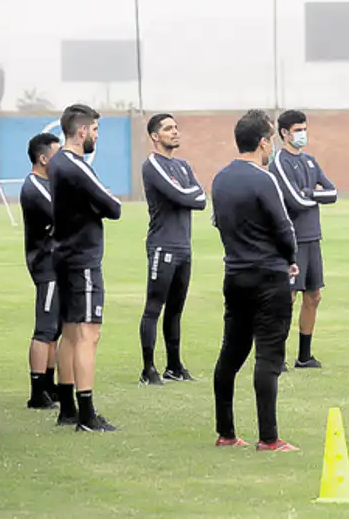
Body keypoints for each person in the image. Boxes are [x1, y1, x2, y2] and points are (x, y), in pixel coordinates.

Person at [211, 109, 300, 451]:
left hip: (235, 274)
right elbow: (283, 228)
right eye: (272, 141)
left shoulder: (220, 178)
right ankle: (269, 437)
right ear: (263, 142)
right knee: (268, 356)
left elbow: (219, 222)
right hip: (268, 277)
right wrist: (290, 260)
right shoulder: (265, 179)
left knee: (231, 353)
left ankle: (226, 432)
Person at [48, 103, 122, 431]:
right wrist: (103, 200)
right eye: (94, 130)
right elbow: (113, 206)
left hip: (63, 256)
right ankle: (87, 414)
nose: (95, 136)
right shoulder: (75, 165)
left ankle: (67, 409)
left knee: (68, 331)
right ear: (82, 131)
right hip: (82, 260)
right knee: (88, 334)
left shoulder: (58, 163)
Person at [138, 113, 208, 385]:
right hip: (162, 246)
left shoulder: (183, 165)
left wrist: (187, 194)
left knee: (176, 309)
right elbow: (181, 195)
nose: (175, 132)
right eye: (168, 128)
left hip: (183, 246)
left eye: (176, 127)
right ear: (155, 136)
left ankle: (174, 365)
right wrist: (187, 194)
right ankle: (148, 369)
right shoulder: (152, 164)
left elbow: (201, 198)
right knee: (154, 307)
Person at [268, 110, 337, 370]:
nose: (302, 134)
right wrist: (312, 195)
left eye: (304, 128)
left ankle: (304, 356)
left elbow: (333, 192)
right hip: (292, 240)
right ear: (285, 133)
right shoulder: (279, 162)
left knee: (314, 295)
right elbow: (294, 202)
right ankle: (276, 355)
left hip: (313, 238)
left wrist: (309, 193)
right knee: (288, 296)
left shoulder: (310, 161)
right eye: (298, 129)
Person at [19, 133, 62, 410]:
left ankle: (49, 384)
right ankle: (37, 392)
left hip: (58, 262)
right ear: (43, 158)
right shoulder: (35, 186)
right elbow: (64, 216)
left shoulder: (49, 183)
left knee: (55, 328)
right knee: (45, 328)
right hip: (45, 263)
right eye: (58, 154)